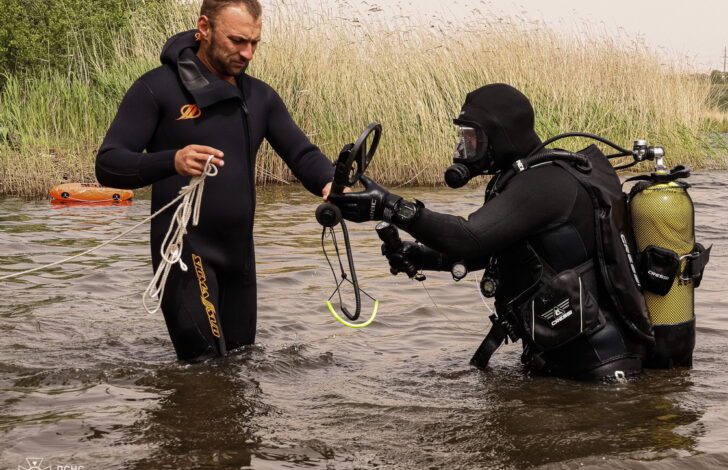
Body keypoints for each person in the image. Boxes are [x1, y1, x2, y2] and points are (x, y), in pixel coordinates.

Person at [328, 83, 656, 382]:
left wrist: (389, 207)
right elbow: (487, 251)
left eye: (472, 139)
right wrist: (421, 256)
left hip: (599, 368)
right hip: (567, 361)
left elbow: (469, 237)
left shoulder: (544, 183)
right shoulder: (524, 179)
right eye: (463, 139)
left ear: (501, 136)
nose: (464, 149)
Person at [95, 0, 335, 362]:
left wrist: (331, 182)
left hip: (239, 257)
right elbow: (109, 164)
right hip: (184, 253)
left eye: (254, 42)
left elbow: (302, 154)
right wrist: (171, 160)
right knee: (204, 370)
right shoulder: (157, 88)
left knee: (240, 366)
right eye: (237, 40)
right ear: (204, 27)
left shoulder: (260, 97)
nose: (247, 52)